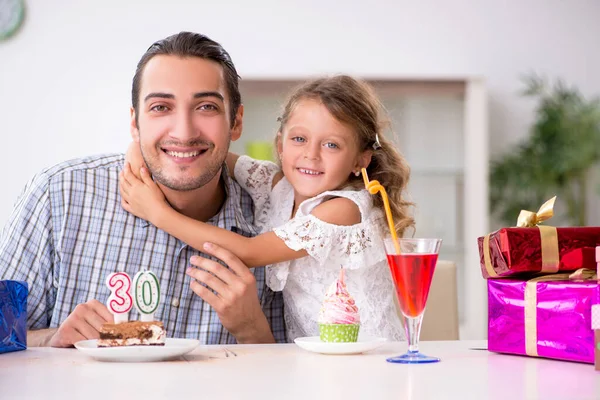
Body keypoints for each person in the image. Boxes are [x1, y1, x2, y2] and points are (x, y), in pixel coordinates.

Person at [0, 32, 285, 347]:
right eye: (161, 107)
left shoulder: (278, 222)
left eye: (205, 106)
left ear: (236, 121)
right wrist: (53, 338)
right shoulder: (59, 194)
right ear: (134, 123)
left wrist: (251, 332)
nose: (184, 132)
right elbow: (2, 336)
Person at [120, 75, 413, 341]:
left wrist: (158, 214)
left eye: (331, 145)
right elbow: (212, 153)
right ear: (281, 144)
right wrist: (141, 145)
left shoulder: (346, 209)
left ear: (360, 160)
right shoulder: (278, 186)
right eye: (299, 139)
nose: (310, 155)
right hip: (317, 358)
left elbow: (250, 251)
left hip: (366, 357)